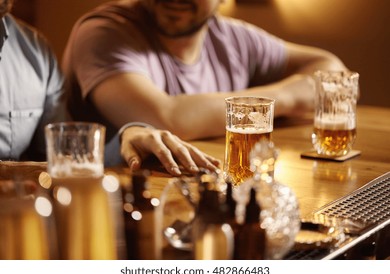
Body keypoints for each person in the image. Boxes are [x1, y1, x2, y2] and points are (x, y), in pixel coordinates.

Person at [62, 0, 348, 143]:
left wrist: (277, 101)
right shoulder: (104, 32)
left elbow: (333, 71)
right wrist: (280, 101)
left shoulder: (234, 38)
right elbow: (166, 120)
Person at [0, 0, 219, 176]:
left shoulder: (35, 50)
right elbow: (55, 168)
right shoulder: (103, 29)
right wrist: (29, 171)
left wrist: (127, 139)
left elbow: (62, 156)